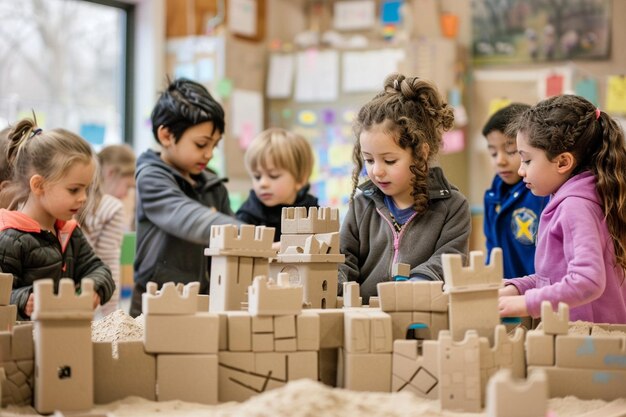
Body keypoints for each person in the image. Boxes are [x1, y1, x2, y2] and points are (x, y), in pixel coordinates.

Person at [339, 73, 471, 303]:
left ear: (421, 154)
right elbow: (344, 260)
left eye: (389, 161)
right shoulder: (362, 206)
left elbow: (450, 259)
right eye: (369, 160)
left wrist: (414, 286)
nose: (377, 171)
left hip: (422, 313)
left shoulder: (453, 207)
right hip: (365, 315)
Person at [499, 95, 626, 323]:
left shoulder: (575, 206)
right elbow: (555, 279)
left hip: (593, 344)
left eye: (527, 160)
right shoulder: (571, 198)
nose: (521, 171)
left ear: (563, 162)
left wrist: (527, 303)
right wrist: (517, 288)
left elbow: (587, 282)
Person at [130, 78, 243, 317]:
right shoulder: (151, 178)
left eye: (215, 145)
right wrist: (251, 235)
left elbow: (232, 242)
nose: (209, 154)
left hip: (205, 300)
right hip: (156, 302)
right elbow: (188, 218)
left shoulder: (213, 184)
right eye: (201, 144)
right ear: (166, 135)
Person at [0, 118, 114, 320]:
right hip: (25, 345)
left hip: (65, 335)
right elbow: (3, 294)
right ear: (39, 185)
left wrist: (94, 287)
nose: (83, 198)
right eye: (74, 189)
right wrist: (23, 300)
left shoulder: (69, 232)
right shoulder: (11, 238)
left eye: (85, 189)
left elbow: (98, 269)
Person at [482, 103, 549, 279]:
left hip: (539, 295)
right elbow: (491, 250)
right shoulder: (492, 196)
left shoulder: (543, 192)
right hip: (506, 294)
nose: (500, 161)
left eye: (511, 151)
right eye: (493, 153)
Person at [77, 144, 136, 318]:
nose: (126, 194)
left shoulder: (74, 203)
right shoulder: (112, 208)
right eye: (127, 186)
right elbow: (108, 265)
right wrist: (112, 316)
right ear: (111, 173)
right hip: (94, 305)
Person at [236, 127, 318, 243]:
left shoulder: (314, 214)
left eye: (273, 175)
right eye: (257, 176)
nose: (263, 184)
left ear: (300, 180)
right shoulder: (246, 218)